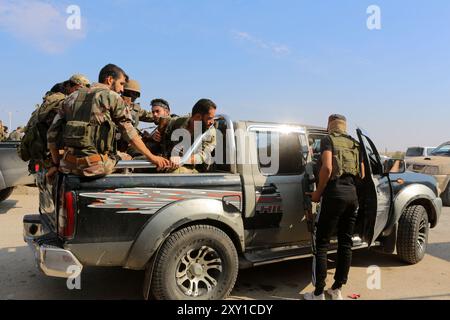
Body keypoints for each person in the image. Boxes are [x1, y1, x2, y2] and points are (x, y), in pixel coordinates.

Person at [47, 64, 171, 177]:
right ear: (110, 80)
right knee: (128, 158)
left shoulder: (71, 97)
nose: (122, 89)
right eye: (121, 84)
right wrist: (153, 157)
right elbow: (129, 132)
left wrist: (56, 164)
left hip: (68, 166)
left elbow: (51, 135)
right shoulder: (112, 97)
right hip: (95, 166)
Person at [304, 114, 365, 300]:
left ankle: (318, 293)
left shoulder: (327, 139)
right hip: (352, 197)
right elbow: (362, 174)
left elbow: (328, 168)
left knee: (321, 244)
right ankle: (337, 289)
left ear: (330, 125)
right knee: (345, 244)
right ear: (344, 127)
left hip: (333, 195)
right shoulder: (355, 143)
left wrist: (317, 193)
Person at [18, 74, 91, 172]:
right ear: (74, 87)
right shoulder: (62, 102)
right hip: (48, 155)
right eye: (81, 89)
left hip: (41, 152)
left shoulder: (53, 99)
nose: (84, 93)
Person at [163, 99, 217, 173]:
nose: (212, 122)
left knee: (176, 173)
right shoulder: (176, 123)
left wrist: (181, 160)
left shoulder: (210, 132)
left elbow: (202, 156)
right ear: (198, 117)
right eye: (209, 118)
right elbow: (164, 142)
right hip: (170, 163)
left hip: (198, 170)